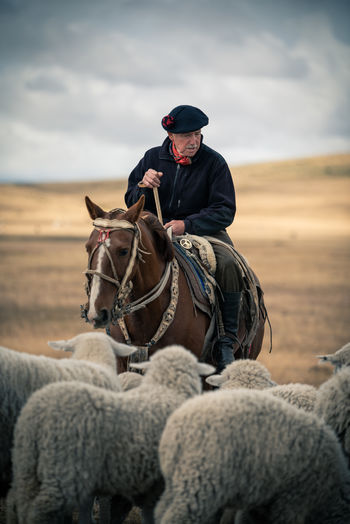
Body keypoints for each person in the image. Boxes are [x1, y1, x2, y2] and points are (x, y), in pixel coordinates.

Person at [125, 104, 242, 371]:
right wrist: (142, 185)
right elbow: (131, 198)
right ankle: (118, 324)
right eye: (187, 136)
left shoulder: (214, 162)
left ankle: (227, 339)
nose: (194, 141)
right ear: (171, 137)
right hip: (156, 231)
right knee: (123, 256)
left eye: (198, 134)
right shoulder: (152, 158)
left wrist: (187, 224)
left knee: (228, 264)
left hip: (204, 232)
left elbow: (225, 210)